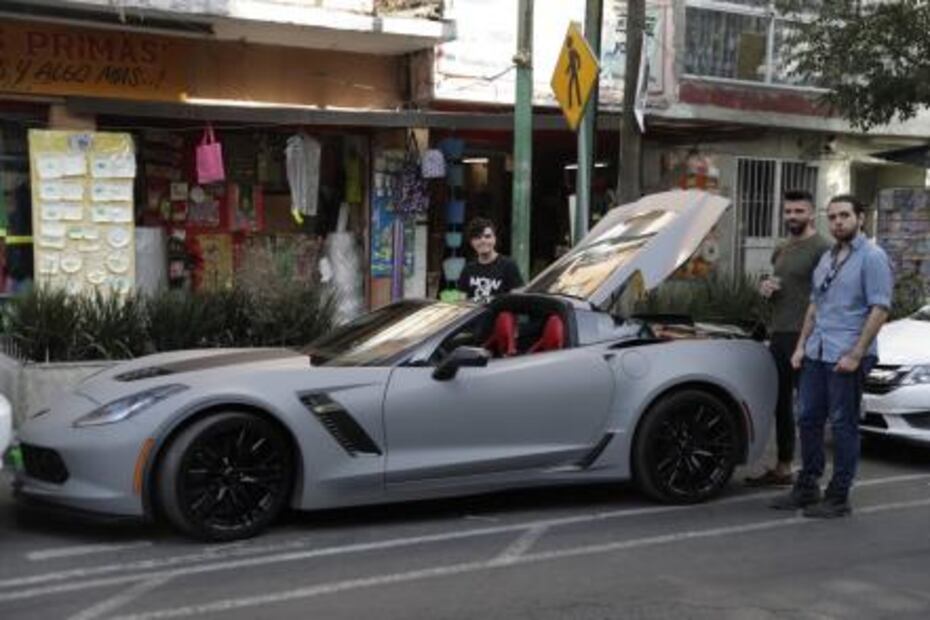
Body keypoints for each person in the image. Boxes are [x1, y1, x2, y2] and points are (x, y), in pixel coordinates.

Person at [771, 195, 893, 518]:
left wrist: (856, 354)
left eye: (845, 216)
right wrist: (801, 346)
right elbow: (815, 305)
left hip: (846, 353)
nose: (838, 222)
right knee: (808, 418)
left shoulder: (872, 257)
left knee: (842, 424)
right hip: (817, 350)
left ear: (860, 218)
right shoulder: (828, 258)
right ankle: (807, 486)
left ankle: (839, 495)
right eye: (833, 217)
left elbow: (880, 308)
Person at [745, 190, 830, 487]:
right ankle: (783, 468)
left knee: (808, 408)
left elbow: (826, 296)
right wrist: (765, 289)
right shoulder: (781, 247)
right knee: (780, 403)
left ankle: (810, 476)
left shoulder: (822, 248)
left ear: (812, 213)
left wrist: (809, 340)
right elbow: (781, 286)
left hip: (806, 336)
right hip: (779, 333)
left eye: (799, 211)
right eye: (788, 211)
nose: (792, 216)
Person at [457, 217, 524, 303]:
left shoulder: (509, 265)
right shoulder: (468, 269)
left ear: (494, 239)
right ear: (471, 242)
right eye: (478, 237)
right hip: (474, 311)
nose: (483, 240)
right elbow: (461, 302)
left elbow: (517, 300)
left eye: (487, 236)